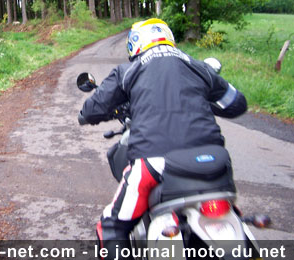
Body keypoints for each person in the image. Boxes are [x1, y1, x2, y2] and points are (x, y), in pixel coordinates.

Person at [78, 18, 247, 259]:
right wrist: (203, 97)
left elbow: (92, 109)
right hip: (217, 163)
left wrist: (85, 115)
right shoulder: (198, 67)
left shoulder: (128, 71)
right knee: (234, 213)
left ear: (134, 45)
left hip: (154, 163)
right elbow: (236, 104)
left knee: (112, 225)